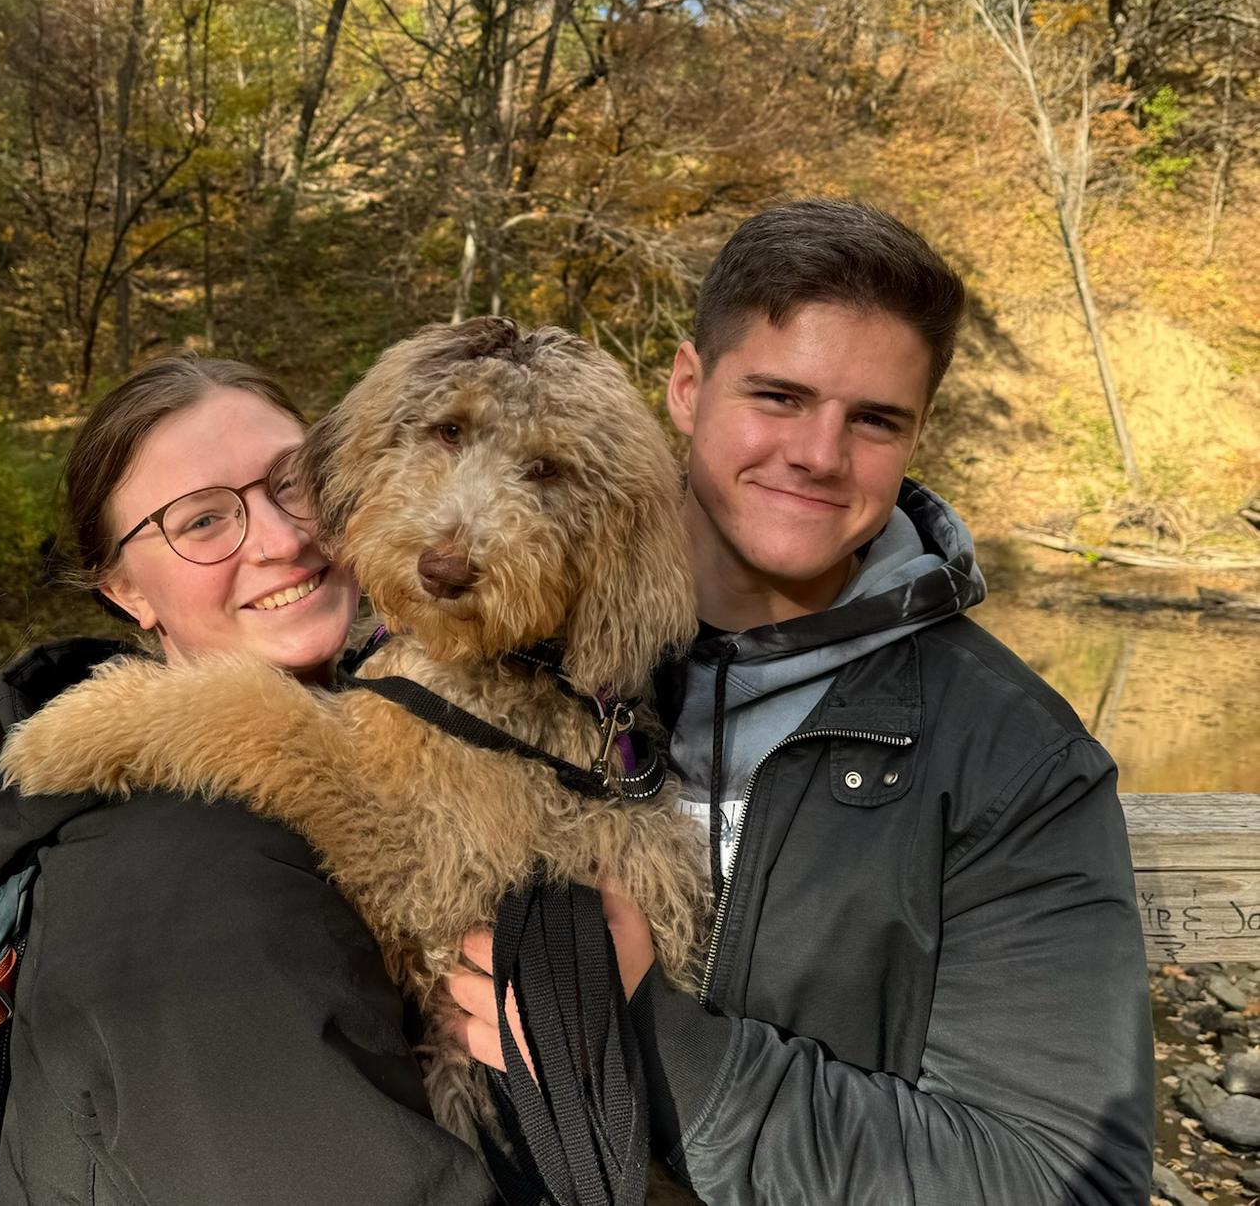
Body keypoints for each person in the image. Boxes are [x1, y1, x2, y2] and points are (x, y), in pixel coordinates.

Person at [454, 199, 1155, 1203]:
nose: (820, 454)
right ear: (689, 388)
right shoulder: (509, 635)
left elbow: (1059, 1179)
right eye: (779, 397)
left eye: (874, 420)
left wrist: (652, 1042)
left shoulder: (1013, 757)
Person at [0, 354, 496, 1205]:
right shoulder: (190, 865)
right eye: (203, 522)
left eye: (297, 482)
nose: (284, 539)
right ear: (126, 589)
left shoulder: (368, 758)